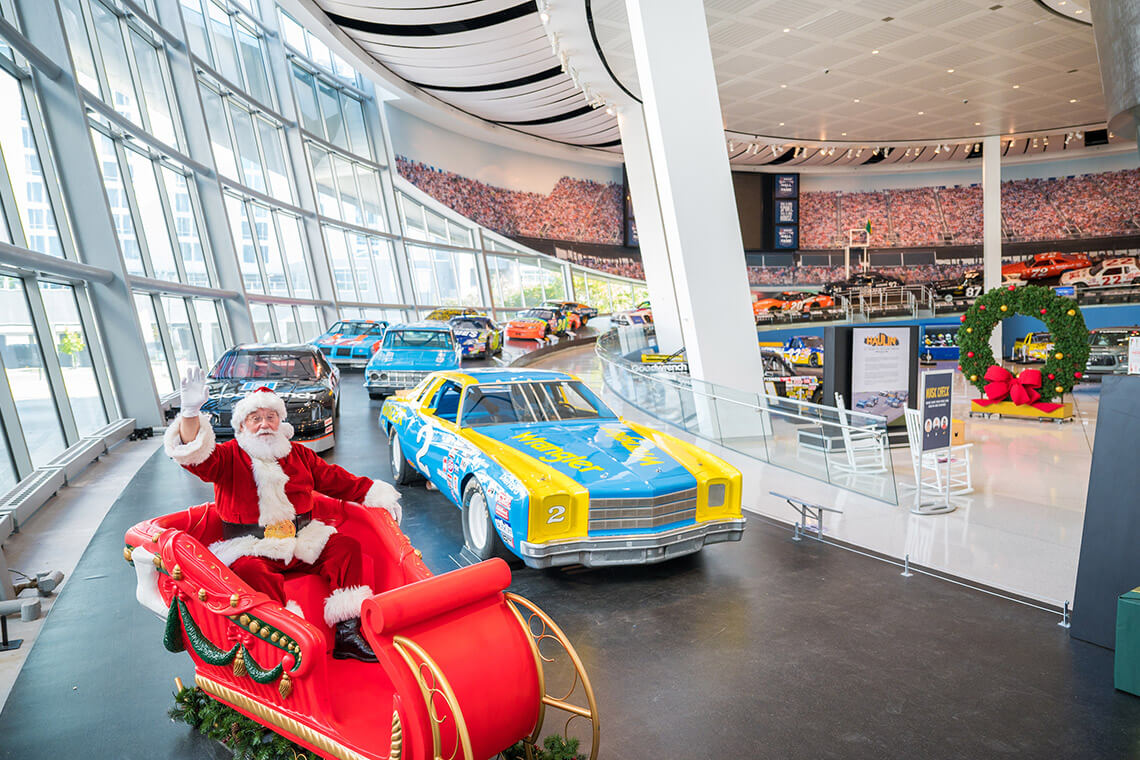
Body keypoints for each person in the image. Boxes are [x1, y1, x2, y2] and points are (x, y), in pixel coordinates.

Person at [163, 366, 401, 662]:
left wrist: (374, 494)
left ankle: (347, 633)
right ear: (242, 426)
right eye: (256, 418)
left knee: (346, 548)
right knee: (251, 571)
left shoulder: (299, 455)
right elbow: (195, 457)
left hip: (302, 538)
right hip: (252, 545)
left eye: (271, 417)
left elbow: (336, 480)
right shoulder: (227, 457)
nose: (265, 424)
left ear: (280, 421)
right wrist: (189, 413)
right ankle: (285, 642)